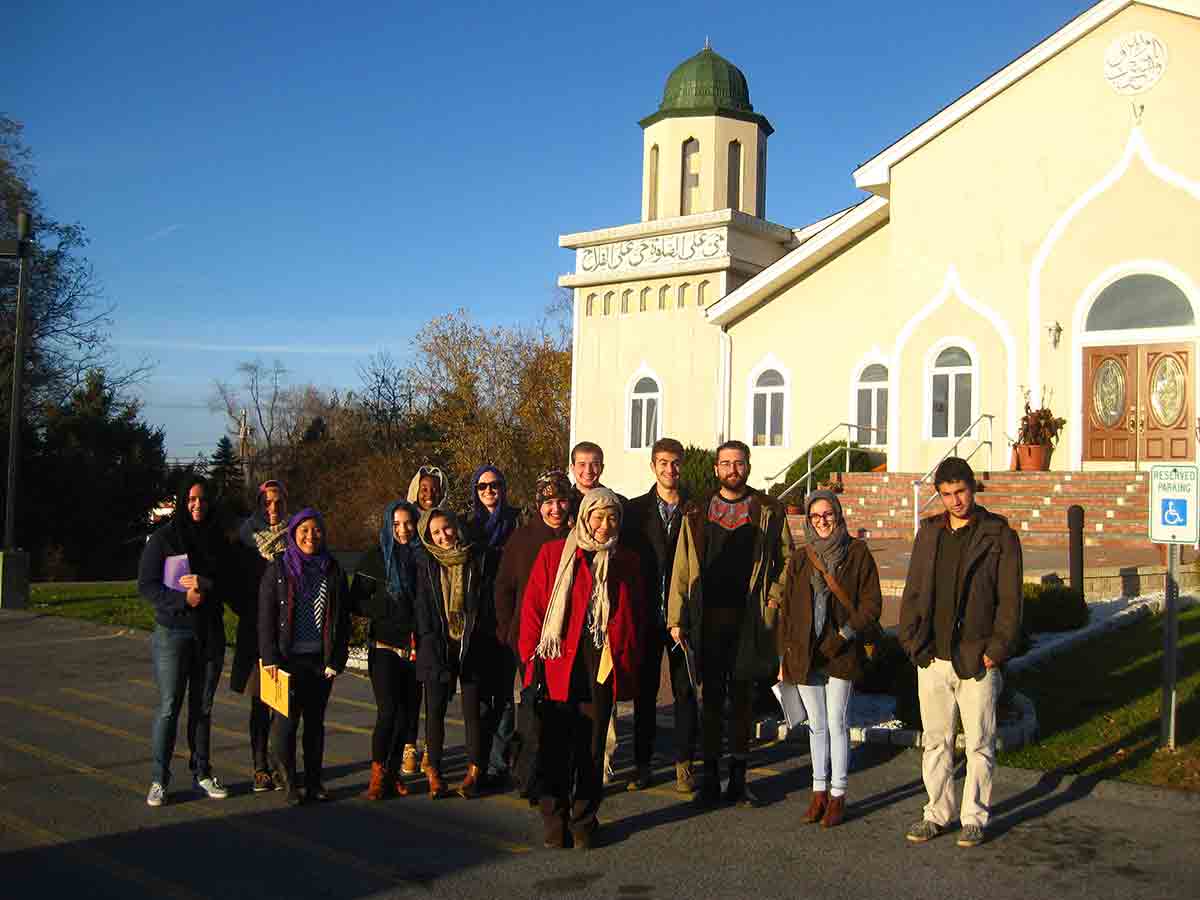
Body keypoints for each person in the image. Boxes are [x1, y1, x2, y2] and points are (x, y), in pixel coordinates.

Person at [898, 457, 1022, 848]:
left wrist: (997, 649)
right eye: (947, 494)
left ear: (973, 488)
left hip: (977, 659)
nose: (955, 501)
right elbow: (914, 590)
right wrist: (911, 640)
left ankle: (974, 817)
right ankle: (936, 813)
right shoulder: (930, 532)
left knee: (980, 742)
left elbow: (1010, 600)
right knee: (936, 741)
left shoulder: (997, 534)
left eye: (961, 492)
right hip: (932, 657)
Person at [668, 439, 792, 806]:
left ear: (748, 466)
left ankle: (738, 780)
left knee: (741, 702)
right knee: (710, 702)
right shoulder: (696, 511)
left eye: (739, 463)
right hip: (708, 621)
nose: (732, 469)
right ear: (715, 469)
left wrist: (774, 596)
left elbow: (787, 559)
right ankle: (709, 781)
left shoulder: (768, 509)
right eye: (725, 463)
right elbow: (681, 567)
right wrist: (676, 616)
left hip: (749, 621)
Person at [519, 488, 643, 849]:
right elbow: (533, 611)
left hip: (600, 667)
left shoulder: (625, 561)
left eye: (613, 517)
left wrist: (626, 660)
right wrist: (531, 664)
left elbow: (633, 617)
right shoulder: (554, 554)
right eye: (598, 517)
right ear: (585, 517)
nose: (605, 525)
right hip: (558, 666)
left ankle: (584, 821)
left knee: (592, 748)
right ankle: (555, 821)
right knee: (554, 747)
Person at [777, 489, 882, 828]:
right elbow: (788, 611)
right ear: (808, 520)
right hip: (806, 653)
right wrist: (785, 654)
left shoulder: (857, 553)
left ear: (839, 516)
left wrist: (844, 636)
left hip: (840, 651)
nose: (822, 522)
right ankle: (817, 792)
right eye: (816, 517)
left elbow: (871, 605)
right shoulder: (800, 558)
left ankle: (838, 794)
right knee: (816, 725)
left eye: (828, 515)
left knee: (837, 723)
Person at [138, 476, 231, 807]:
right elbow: (147, 586)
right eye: (191, 499)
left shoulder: (218, 539)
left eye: (203, 500)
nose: (197, 505)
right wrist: (182, 602)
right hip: (173, 632)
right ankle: (159, 779)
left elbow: (230, 585)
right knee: (168, 707)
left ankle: (202, 772)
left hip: (209, 633)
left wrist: (207, 583)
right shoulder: (164, 539)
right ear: (182, 501)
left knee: (202, 708)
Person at [621, 438, 700, 794]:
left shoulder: (695, 511)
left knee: (685, 693)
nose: (671, 470)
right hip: (646, 617)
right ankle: (642, 764)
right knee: (645, 693)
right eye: (664, 463)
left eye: (676, 463)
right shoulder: (635, 513)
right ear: (653, 466)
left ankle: (685, 764)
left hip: (683, 618)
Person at [259, 508, 351, 806]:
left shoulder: (332, 569)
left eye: (317, 530)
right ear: (294, 533)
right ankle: (288, 782)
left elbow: (341, 618)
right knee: (285, 725)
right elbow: (266, 617)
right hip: (286, 661)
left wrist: (336, 659)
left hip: (319, 661)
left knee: (315, 724)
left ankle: (314, 782)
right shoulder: (279, 568)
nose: (311, 536)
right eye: (305, 531)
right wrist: (270, 658)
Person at [493, 469, 573, 796]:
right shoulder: (522, 539)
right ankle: (528, 774)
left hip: (567, 640)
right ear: (539, 503)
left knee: (562, 712)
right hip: (528, 640)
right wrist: (507, 629)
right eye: (549, 502)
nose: (556, 508)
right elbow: (504, 587)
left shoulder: (576, 537)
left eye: (562, 500)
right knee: (532, 711)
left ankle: (559, 774)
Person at [351, 499, 425, 800]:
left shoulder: (424, 557)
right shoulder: (375, 558)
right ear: (387, 525)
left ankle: (394, 773)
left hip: (415, 648)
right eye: (396, 524)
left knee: (408, 715)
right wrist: (383, 607)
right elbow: (355, 601)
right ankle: (378, 773)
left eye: (408, 523)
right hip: (384, 646)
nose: (403, 529)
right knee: (388, 712)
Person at [415, 509, 486, 799]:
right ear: (427, 537)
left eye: (447, 528)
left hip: (469, 642)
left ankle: (474, 770)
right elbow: (421, 607)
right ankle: (434, 770)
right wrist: (429, 641)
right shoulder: (425, 564)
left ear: (456, 527)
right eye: (436, 532)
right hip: (438, 644)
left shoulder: (475, 558)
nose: (444, 536)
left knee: (472, 712)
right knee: (435, 711)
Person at [567, 440, 626, 783]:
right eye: (582, 464)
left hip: (604, 620)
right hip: (575, 619)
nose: (589, 470)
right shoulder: (561, 503)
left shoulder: (613, 504)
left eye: (595, 464)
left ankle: (602, 762)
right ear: (573, 466)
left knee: (606, 698)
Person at [463, 465, 522, 787]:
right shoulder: (467, 526)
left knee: (503, 695)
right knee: (479, 697)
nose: (489, 491)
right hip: (477, 621)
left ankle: (500, 764)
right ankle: (478, 762)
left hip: (508, 618)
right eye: (483, 486)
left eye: (495, 485)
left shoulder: (516, 521)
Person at [231, 479, 290, 793]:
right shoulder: (245, 540)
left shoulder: (294, 538)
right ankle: (259, 766)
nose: (272, 508)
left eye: (278, 503)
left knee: (280, 703)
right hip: (255, 632)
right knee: (260, 702)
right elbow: (232, 585)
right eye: (266, 502)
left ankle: (279, 762)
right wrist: (250, 611)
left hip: (285, 634)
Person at [401, 463, 449, 775]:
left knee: (434, 695)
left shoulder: (446, 525)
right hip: (409, 621)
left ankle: (432, 751)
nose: (429, 494)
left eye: (434, 489)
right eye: (424, 489)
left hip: (437, 624)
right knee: (410, 694)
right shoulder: (404, 525)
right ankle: (409, 747)